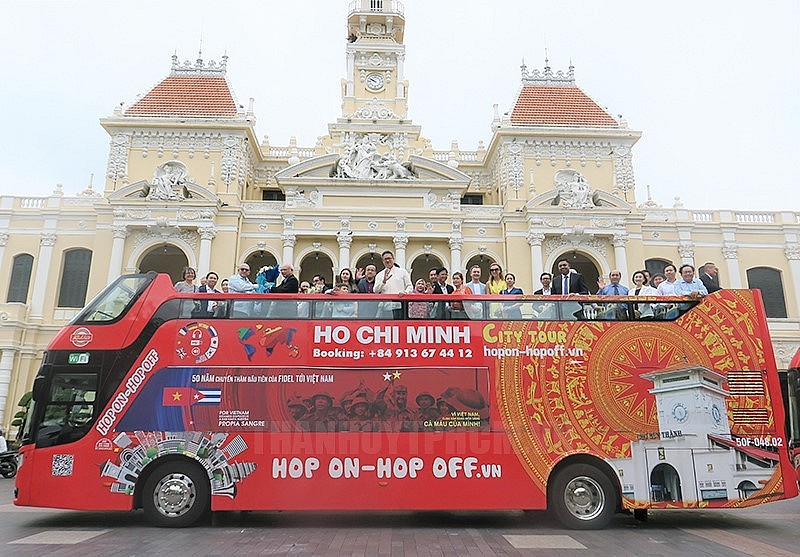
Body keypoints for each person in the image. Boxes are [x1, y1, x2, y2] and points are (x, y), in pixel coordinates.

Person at [374, 250, 413, 318]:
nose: (388, 261)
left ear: (393, 259)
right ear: (383, 261)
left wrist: (405, 292)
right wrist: (383, 281)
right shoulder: (379, 275)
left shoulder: (402, 272)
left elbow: (410, 286)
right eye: (385, 259)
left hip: (400, 305)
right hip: (386, 307)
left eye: (389, 258)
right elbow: (375, 290)